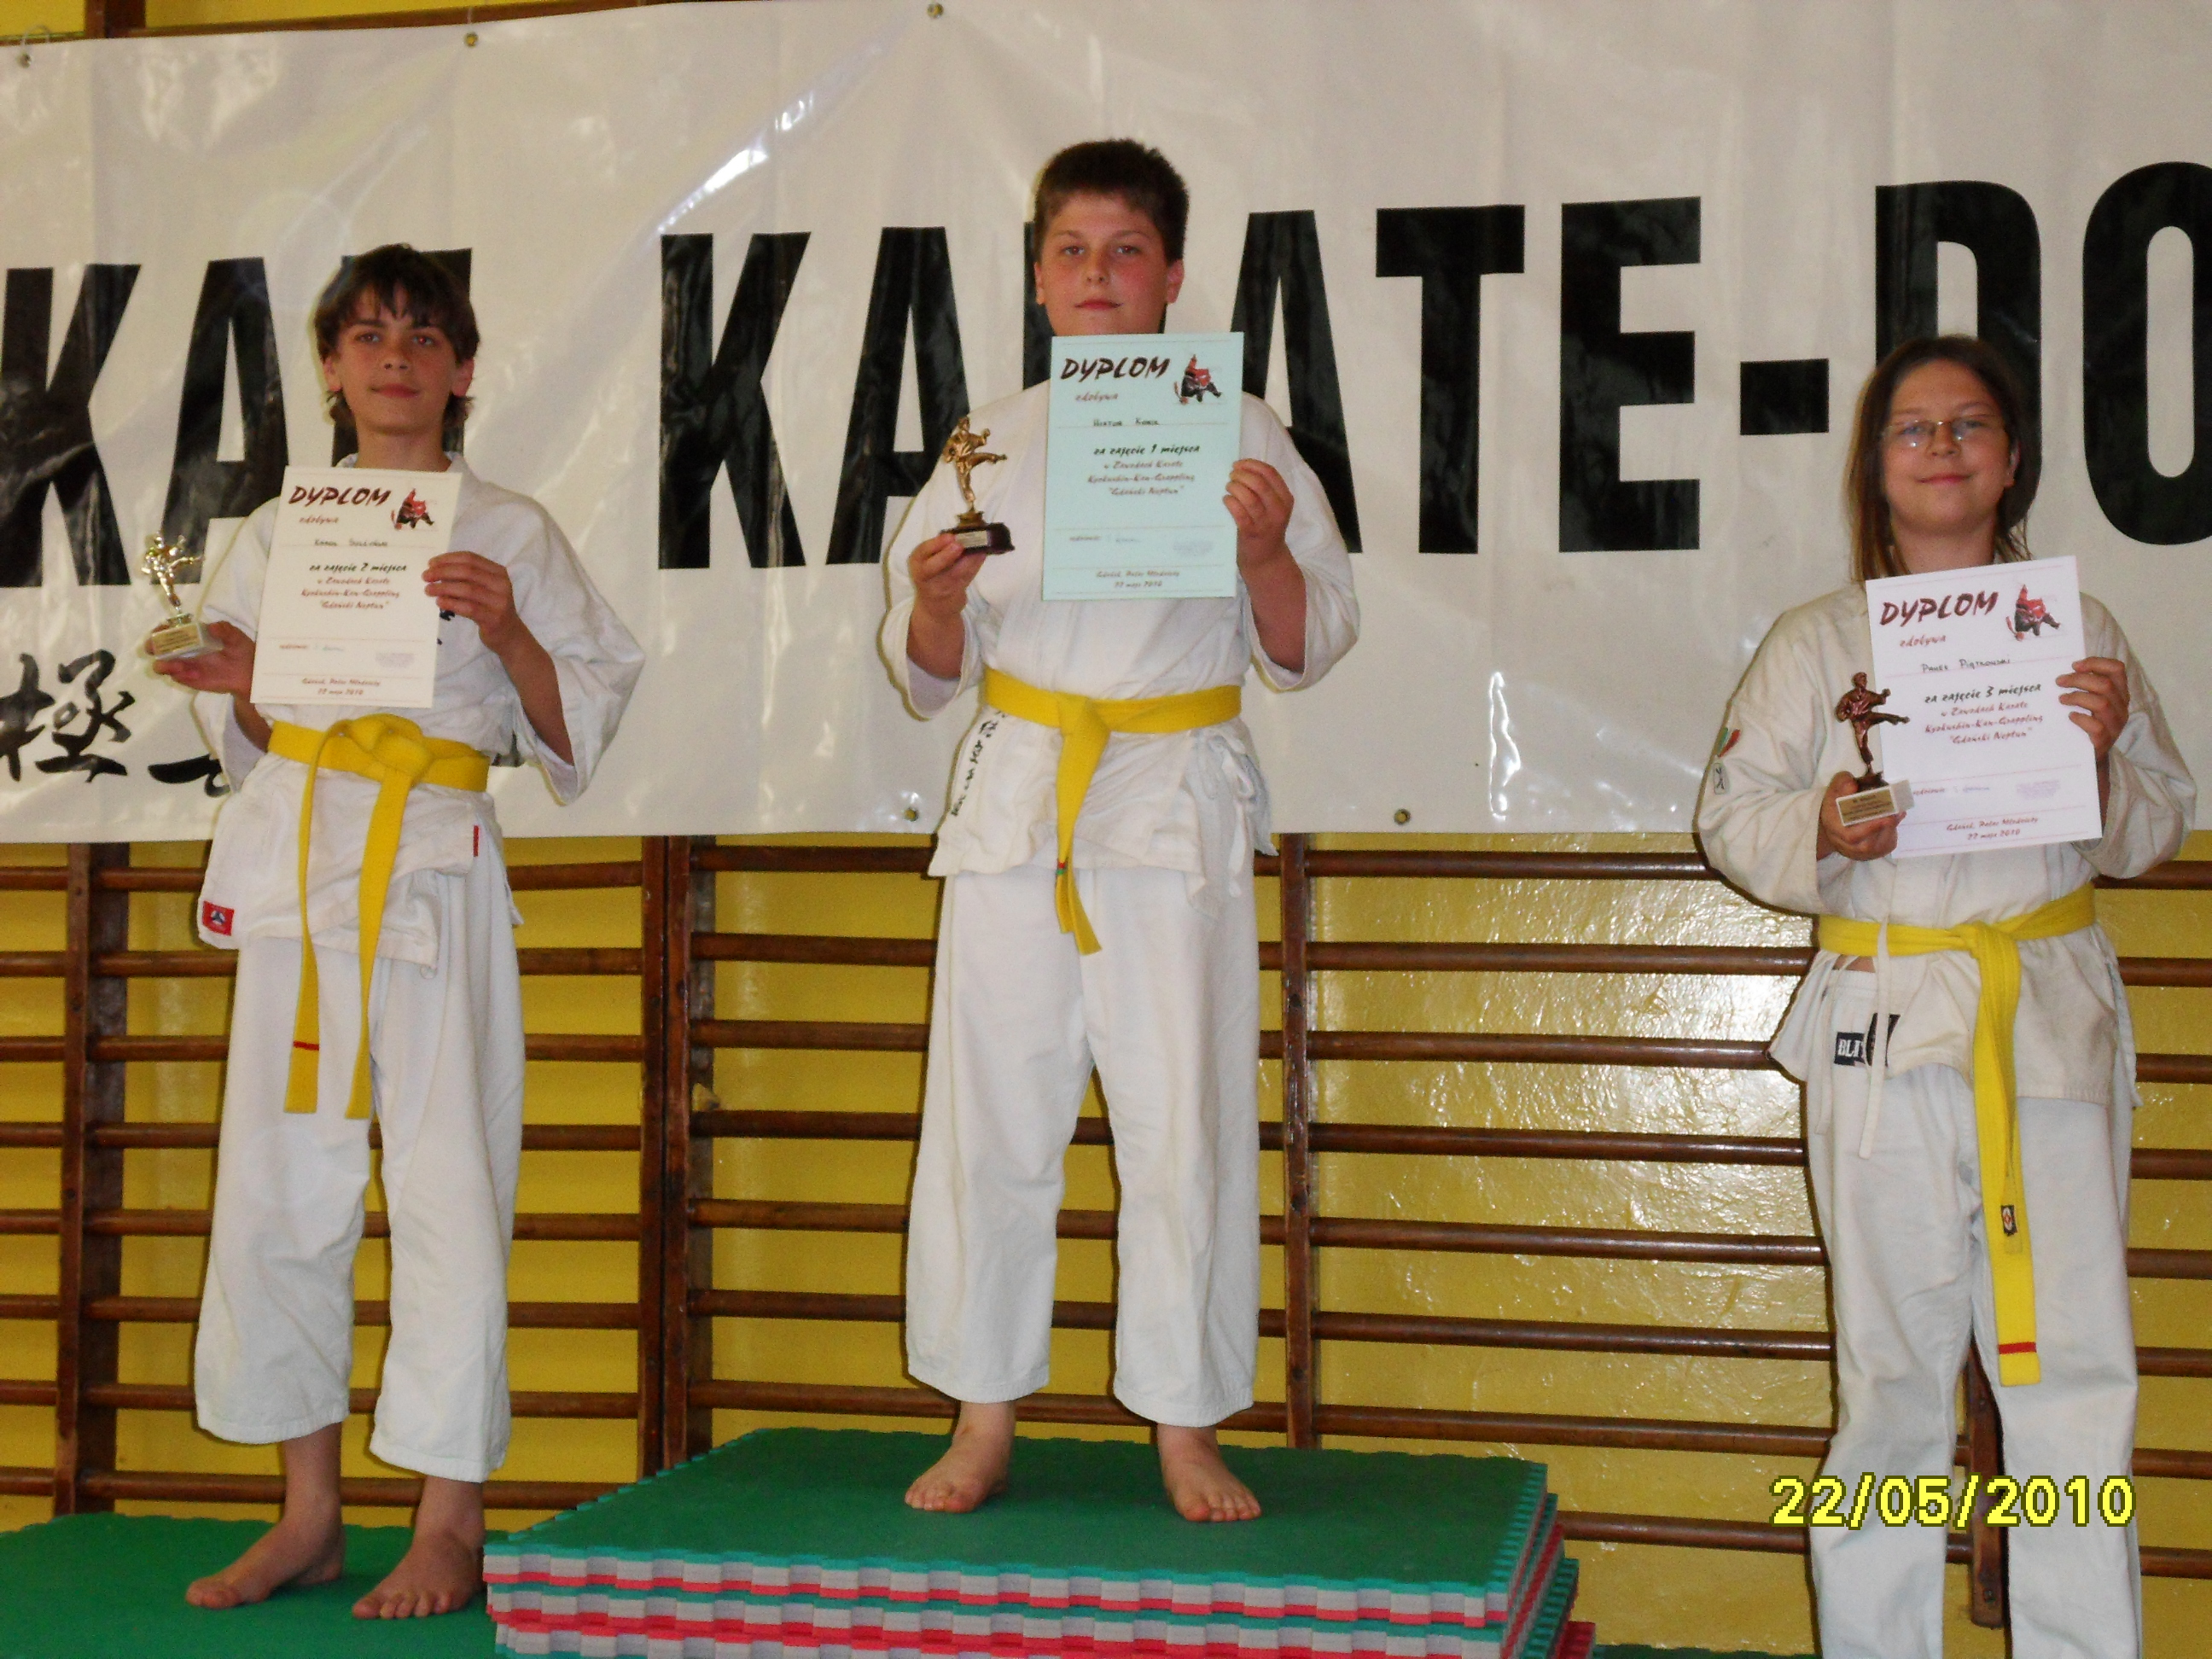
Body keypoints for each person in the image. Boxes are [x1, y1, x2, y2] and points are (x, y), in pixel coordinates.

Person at [151, 245, 643, 1618]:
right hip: (300, 871)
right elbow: (258, 733)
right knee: (280, 1189)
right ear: (330, 366)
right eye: (367, 335)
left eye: (424, 337)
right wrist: (244, 681)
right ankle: (308, 1512)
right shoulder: (280, 530)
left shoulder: (510, 529)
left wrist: (513, 632)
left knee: (447, 1192)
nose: (394, 358)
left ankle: (450, 1520)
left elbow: (579, 728)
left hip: (431, 868)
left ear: (463, 368)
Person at [879, 140, 1358, 1522]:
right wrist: (933, 603)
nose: (1098, 274)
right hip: (1023, 802)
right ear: (1039, 277)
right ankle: (982, 1413)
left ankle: (1185, 1424)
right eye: (1073, 250)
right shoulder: (985, 443)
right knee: (992, 1116)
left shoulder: (1242, 430)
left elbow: (1311, 643)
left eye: (1127, 250)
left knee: (1183, 1122)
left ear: (1174, 275)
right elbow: (924, 672)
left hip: (1171, 804)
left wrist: (1262, 554)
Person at [1697, 335, 2192, 1658]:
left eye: (1970, 425)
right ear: (1877, 465)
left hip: (2046, 1028)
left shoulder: (2081, 634)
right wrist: (1825, 824)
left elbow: (2156, 824)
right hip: (1884, 1024)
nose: (1943, 448)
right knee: (1890, 1385)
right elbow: (1732, 820)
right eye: (1914, 429)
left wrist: (2101, 760)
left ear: (2011, 458)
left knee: (2073, 1381)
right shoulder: (1816, 641)